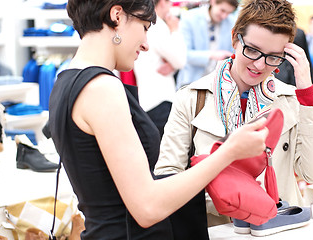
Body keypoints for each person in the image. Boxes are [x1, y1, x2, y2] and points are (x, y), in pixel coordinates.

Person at [47, 0, 270, 239]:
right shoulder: (102, 88)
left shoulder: (66, 82)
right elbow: (147, 207)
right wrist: (228, 153)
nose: (145, 45)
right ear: (117, 16)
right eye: (144, 26)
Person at [155, 0, 313, 226]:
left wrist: (308, 95)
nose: (259, 65)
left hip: (279, 229)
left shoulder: (291, 100)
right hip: (217, 229)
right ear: (234, 39)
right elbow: (167, 176)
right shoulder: (192, 98)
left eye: (273, 56)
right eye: (252, 50)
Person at [134, 0, 186, 138]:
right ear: (163, 2)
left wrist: (172, 65)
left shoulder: (141, 23)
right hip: (159, 99)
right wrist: (175, 30)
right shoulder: (157, 25)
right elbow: (180, 60)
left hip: (147, 99)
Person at [175, 0, 239, 89]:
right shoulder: (189, 17)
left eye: (229, 13)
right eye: (222, 10)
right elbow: (184, 54)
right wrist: (212, 55)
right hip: (190, 82)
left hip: (218, 85)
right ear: (213, 2)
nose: (224, 16)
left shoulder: (232, 21)